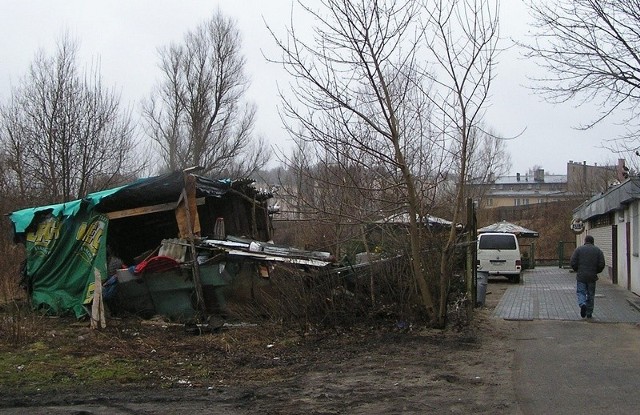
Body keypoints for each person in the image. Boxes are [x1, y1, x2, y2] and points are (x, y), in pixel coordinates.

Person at [570, 235, 605, 319]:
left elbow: (573, 261)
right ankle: (589, 313)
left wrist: (577, 269)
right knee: (591, 294)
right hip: (592, 277)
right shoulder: (598, 251)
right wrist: (596, 271)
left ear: (585, 241)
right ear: (593, 241)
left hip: (581, 275)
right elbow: (601, 264)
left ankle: (582, 304)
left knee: (581, 292)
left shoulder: (578, 250)